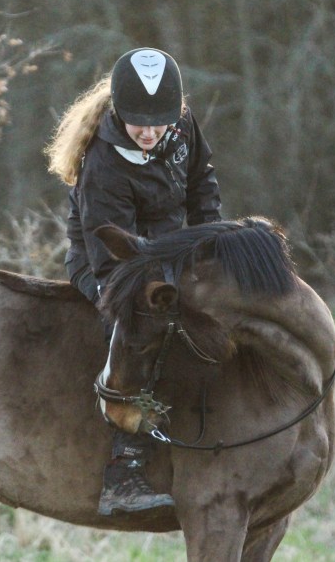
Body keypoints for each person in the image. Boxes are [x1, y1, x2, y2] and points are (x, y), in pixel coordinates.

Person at [46, 47, 222, 516]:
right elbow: (115, 258)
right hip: (106, 259)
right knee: (139, 327)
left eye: (158, 123)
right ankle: (124, 470)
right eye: (137, 123)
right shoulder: (102, 164)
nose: (148, 132)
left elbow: (201, 183)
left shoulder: (181, 127)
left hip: (169, 248)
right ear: (119, 111)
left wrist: (210, 247)